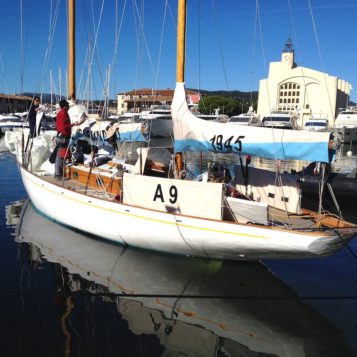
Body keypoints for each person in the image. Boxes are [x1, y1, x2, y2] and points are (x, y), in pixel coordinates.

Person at [54, 100, 84, 180]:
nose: (68, 106)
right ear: (65, 106)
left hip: (60, 136)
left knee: (59, 156)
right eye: (67, 105)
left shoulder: (60, 113)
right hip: (63, 137)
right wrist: (74, 124)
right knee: (61, 156)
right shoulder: (63, 113)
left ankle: (57, 174)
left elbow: (60, 125)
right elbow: (64, 126)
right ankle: (58, 175)